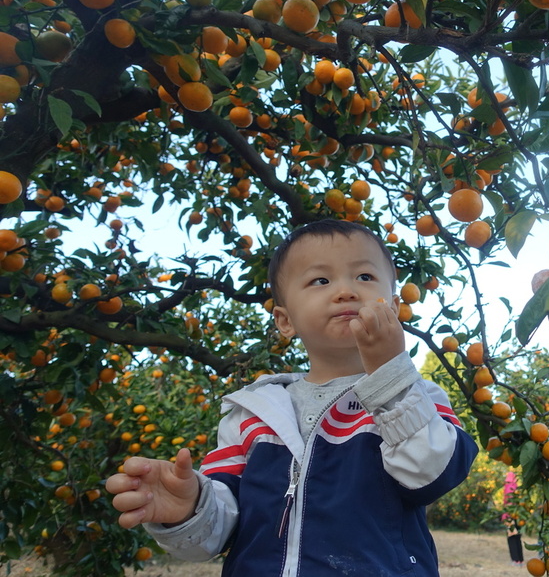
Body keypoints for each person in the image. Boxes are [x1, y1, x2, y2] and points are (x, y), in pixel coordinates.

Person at [106, 219, 477, 575]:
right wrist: (189, 508)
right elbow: (220, 529)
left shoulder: (416, 396)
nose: (346, 290)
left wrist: (389, 376)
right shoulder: (253, 412)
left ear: (393, 307)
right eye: (320, 279)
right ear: (285, 321)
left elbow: (434, 475)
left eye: (364, 276)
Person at [502, 470, 524, 566]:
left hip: (510, 516)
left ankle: (515, 560)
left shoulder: (508, 487)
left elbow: (508, 502)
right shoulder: (517, 488)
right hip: (518, 516)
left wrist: (506, 515)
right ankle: (520, 560)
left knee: (511, 538)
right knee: (517, 538)